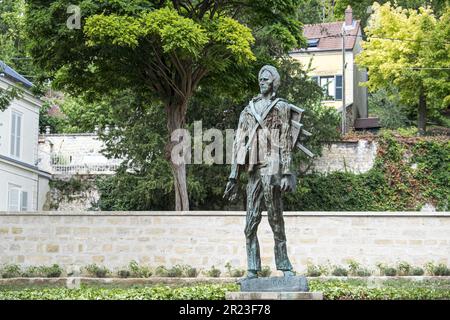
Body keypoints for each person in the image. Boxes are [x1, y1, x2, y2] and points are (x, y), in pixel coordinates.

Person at [223, 65, 307, 279]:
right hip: (253, 170)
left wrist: (287, 173)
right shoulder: (248, 109)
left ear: (274, 82)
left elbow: (286, 141)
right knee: (250, 221)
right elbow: (238, 143)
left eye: (266, 79)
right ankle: (252, 268)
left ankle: (285, 267)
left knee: (275, 218)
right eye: (260, 78)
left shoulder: (281, 107)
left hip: (272, 167)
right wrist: (234, 175)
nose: (262, 81)